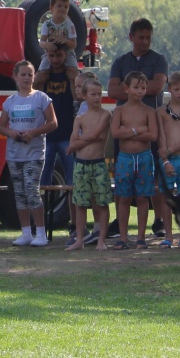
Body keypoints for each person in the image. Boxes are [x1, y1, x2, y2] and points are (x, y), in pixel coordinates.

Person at [107, 18, 168, 238]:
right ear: (131, 37)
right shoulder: (121, 61)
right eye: (141, 37)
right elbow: (112, 90)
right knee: (120, 176)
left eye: (148, 37)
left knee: (155, 177)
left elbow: (157, 85)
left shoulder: (159, 60)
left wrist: (135, 89)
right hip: (123, 128)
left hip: (150, 123)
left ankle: (158, 220)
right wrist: (135, 93)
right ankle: (118, 220)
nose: (145, 41)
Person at [0, 60, 58, 247]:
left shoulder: (41, 98)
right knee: (19, 193)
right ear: (15, 77)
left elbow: (53, 123)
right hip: (14, 154)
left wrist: (33, 132)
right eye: (23, 74)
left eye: (30, 74)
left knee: (32, 191)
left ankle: (40, 233)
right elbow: (2, 126)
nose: (26, 78)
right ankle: (26, 233)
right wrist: (12, 133)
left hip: (34, 153)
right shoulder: (10, 102)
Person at [111, 71, 159, 250]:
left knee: (142, 198)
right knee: (123, 198)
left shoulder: (149, 111)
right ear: (127, 88)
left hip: (145, 159)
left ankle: (141, 237)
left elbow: (153, 135)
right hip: (125, 159)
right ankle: (123, 237)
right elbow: (116, 133)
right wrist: (138, 130)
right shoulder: (119, 111)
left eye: (143, 88)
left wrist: (128, 132)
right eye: (136, 87)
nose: (140, 91)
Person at [65, 78, 112, 251]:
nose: (97, 97)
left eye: (99, 94)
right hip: (81, 164)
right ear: (84, 96)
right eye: (93, 94)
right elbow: (73, 143)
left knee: (102, 202)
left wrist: (79, 140)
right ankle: (79, 240)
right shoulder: (80, 118)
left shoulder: (105, 114)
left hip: (98, 163)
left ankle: (101, 240)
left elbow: (97, 135)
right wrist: (84, 139)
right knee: (80, 203)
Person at [156, 71, 180, 248]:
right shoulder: (161, 112)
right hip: (167, 161)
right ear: (169, 89)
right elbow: (161, 136)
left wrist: (169, 151)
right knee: (167, 198)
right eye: (176, 89)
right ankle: (168, 236)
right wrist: (165, 160)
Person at [34, 45, 78, 193]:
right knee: (42, 183)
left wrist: (73, 79)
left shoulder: (72, 76)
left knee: (73, 183)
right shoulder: (43, 77)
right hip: (47, 136)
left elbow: (79, 97)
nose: (55, 60)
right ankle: (43, 215)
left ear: (66, 55)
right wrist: (37, 80)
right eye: (51, 56)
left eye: (59, 55)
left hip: (68, 135)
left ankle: (74, 214)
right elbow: (33, 98)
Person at [37, 0, 77, 70]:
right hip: (51, 53)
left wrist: (65, 40)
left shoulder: (69, 25)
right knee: (41, 73)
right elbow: (41, 42)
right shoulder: (47, 24)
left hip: (67, 53)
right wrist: (46, 44)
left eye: (66, 7)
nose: (63, 9)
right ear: (51, 8)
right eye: (59, 6)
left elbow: (73, 44)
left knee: (73, 73)